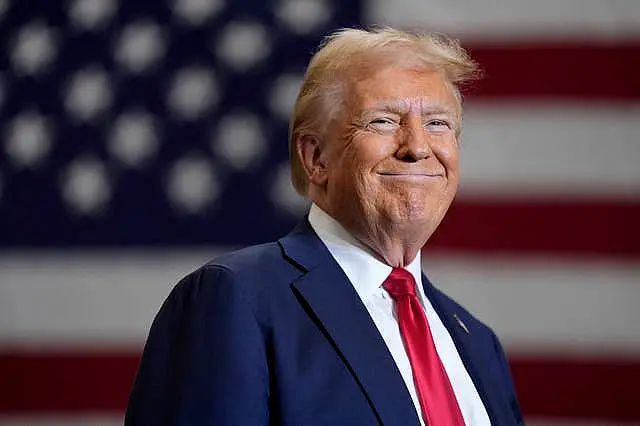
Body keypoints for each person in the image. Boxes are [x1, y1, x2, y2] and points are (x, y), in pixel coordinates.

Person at [125, 27, 523, 425]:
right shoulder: (236, 299)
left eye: (438, 123)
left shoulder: (477, 343)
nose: (417, 146)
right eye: (383, 121)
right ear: (316, 158)